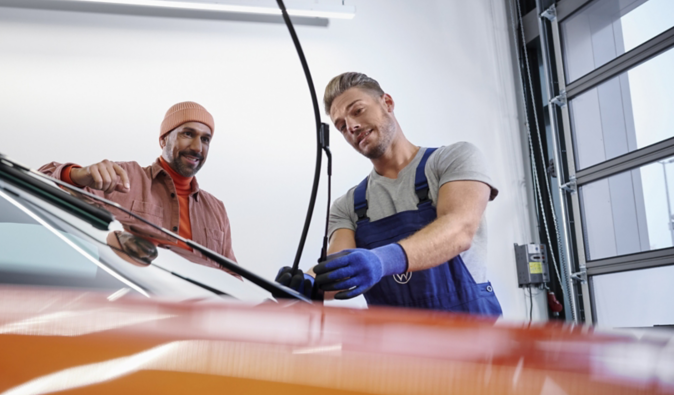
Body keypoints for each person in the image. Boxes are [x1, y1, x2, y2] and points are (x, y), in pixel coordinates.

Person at [277, 73, 502, 315]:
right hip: (393, 347)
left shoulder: (453, 159)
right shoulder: (348, 206)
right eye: (341, 126)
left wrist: (382, 261)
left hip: (472, 339)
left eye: (358, 111)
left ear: (387, 103)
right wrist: (308, 285)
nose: (351, 126)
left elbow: (458, 230)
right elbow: (340, 267)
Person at [39, 101, 238, 276]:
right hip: (128, 307)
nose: (197, 147)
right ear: (163, 140)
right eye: (188, 134)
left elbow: (231, 276)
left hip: (196, 316)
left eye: (205, 139)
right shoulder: (123, 177)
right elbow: (39, 182)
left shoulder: (216, 210)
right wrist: (76, 176)